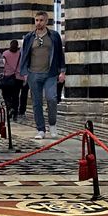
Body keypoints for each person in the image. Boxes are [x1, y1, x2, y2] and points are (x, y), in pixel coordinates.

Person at [19, 11, 66, 139]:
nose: (38, 23)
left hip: (50, 73)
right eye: (36, 20)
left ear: (46, 22)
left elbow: (60, 55)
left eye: (41, 20)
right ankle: (41, 129)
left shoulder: (54, 36)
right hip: (33, 74)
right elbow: (24, 55)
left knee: (51, 99)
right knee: (37, 102)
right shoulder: (29, 37)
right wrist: (23, 72)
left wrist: (62, 71)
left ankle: (52, 125)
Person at [0, 39, 24, 121]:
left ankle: (9, 107)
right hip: (18, 78)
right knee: (16, 96)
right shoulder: (20, 54)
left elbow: (2, 65)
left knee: (6, 95)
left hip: (7, 77)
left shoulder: (5, 53)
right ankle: (15, 113)